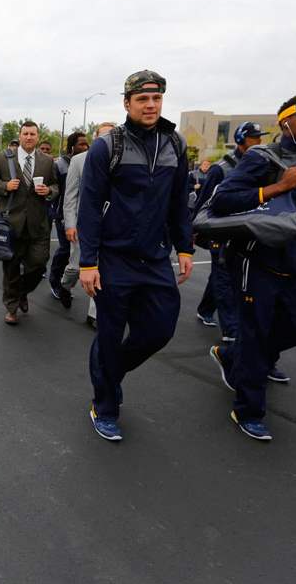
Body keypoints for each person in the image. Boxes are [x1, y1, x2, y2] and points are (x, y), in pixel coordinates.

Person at [208, 95, 296, 441]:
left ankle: (231, 356)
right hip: (257, 261)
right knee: (255, 336)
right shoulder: (260, 158)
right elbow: (223, 201)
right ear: (285, 123)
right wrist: (276, 188)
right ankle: (248, 409)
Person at [78, 70, 194, 441]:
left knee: (160, 329)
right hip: (113, 259)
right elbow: (90, 206)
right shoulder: (106, 146)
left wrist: (185, 246)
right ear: (127, 102)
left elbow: (179, 202)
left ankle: (111, 371)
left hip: (155, 258)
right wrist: (88, 262)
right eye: (143, 99)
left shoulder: (174, 145)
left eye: (156, 99)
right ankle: (106, 405)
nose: (151, 105)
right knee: (110, 335)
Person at [192, 121, 268, 345]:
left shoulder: (260, 166)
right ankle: (231, 329)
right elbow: (204, 202)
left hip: (246, 232)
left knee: (222, 275)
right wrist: (193, 229)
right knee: (225, 277)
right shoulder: (221, 169)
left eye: (260, 138)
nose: (259, 142)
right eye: (254, 138)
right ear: (241, 140)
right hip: (221, 232)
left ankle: (205, 308)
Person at [0, 121, 59, 325]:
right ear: (19, 136)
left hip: (39, 224)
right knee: (11, 268)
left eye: (32, 134)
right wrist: (5, 186)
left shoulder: (47, 161)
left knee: (38, 264)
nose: (29, 137)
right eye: (25, 133)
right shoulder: (2, 158)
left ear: (37, 136)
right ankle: (11, 307)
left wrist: (49, 191)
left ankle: (21, 292)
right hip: (11, 223)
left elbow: (55, 185)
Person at [64, 122, 116, 327]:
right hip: (81, 224)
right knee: (76, 266)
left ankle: (94, 314)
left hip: (109, 227)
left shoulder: (121, 161)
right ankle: (65, 286)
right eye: (103, 136)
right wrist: (70, 224)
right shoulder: (78, 161)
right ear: (96, 139)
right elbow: (71, 197)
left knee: (101, 268)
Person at [48, 131, 88, 309]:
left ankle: (66, 284)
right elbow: (55, 188)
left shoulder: (89, 162)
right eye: (81, 144)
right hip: (63, 215)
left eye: (86, 144)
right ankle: (56, 282)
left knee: (75, 255)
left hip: (83, 216)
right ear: (71, 147)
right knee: (65, 250)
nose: (85, 147)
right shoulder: (60, 165)